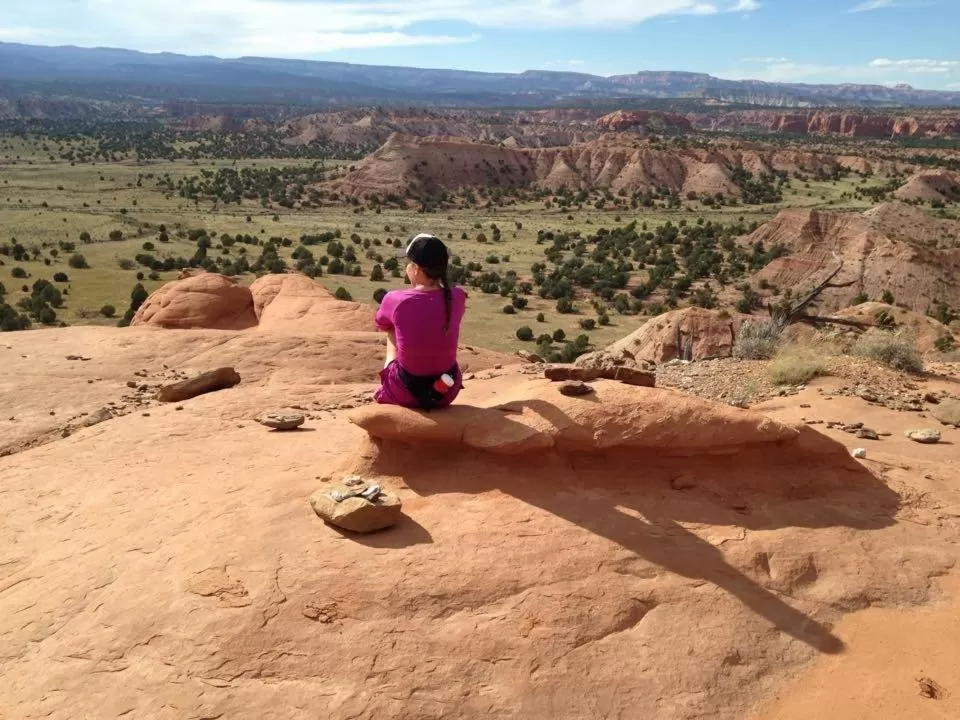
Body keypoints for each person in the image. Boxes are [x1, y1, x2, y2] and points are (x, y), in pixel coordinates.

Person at [374, 233, 467, 410]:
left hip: (405, 391)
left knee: (393, 327)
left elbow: (382, 324)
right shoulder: (457, 296)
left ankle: (388, 370)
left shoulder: (395, 299)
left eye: (408, 263)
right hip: (446, 392)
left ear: (415, 268)